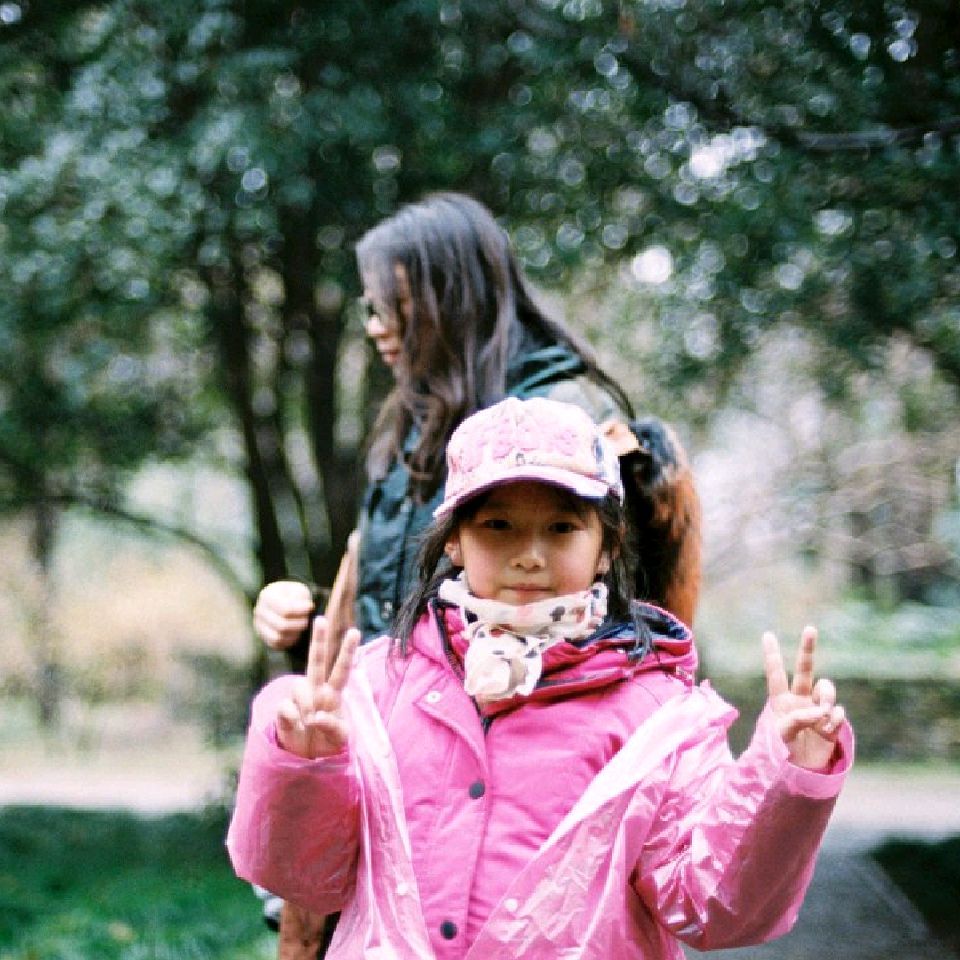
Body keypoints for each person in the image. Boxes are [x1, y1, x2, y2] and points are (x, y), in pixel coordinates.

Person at [228, 396, 852, 960]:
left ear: (607, 547)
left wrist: (787, 781)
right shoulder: (376, 685)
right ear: (453, 542)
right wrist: (301, 763)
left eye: (561, 528)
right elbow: (307, 878)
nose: (529, 555)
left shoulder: (658, 716)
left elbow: (710, 905)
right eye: (497, 526)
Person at [253, 191, 701, 669]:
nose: (376, 327)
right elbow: (398, 611)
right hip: (400, 705)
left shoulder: (563, 419)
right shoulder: (419, 417)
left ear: (454, 301)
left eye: (394, 305)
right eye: (371, 308)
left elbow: (601, 626)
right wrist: (310, 620)